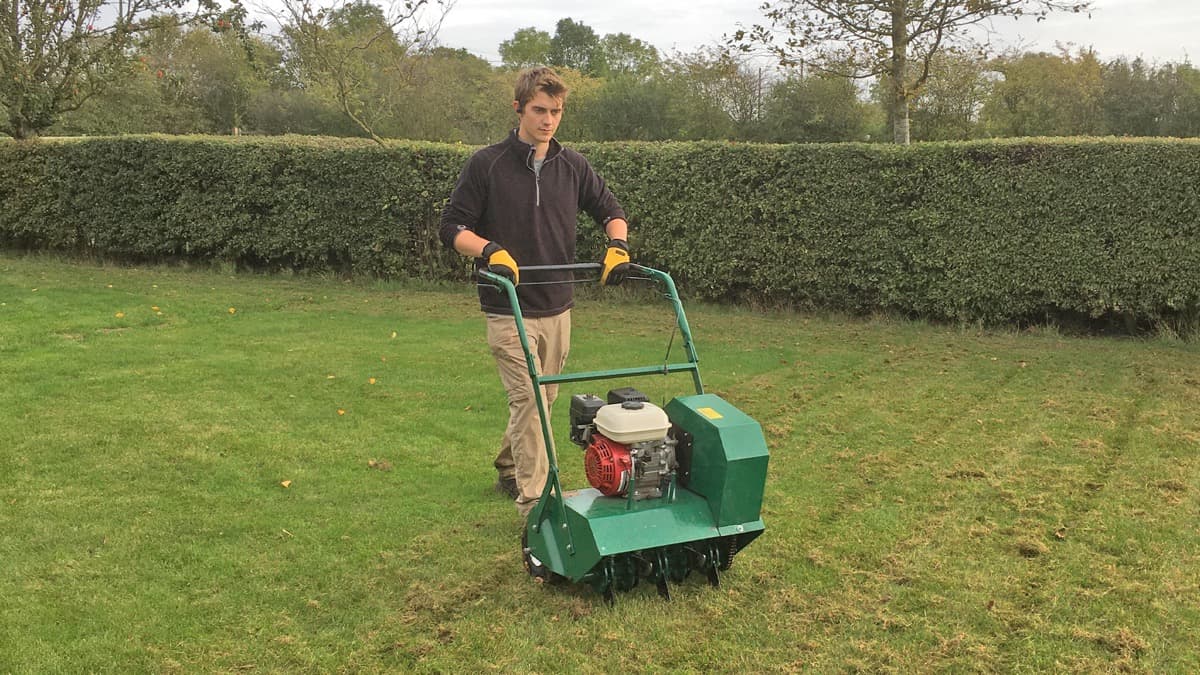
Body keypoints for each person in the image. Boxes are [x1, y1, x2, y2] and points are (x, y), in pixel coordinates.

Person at [439, 66, 631, 519]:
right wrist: (489, 250)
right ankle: (538, 507)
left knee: (542, 401)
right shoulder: (486, 164)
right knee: (528, 401)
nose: (548, 120)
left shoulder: (573, 165)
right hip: (508, 307)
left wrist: (618, 246)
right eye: (539, 110)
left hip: (558, 304)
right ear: (519, 109)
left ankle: (509, 464)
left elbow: (610, 210)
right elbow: (451, 227)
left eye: (556, 112)